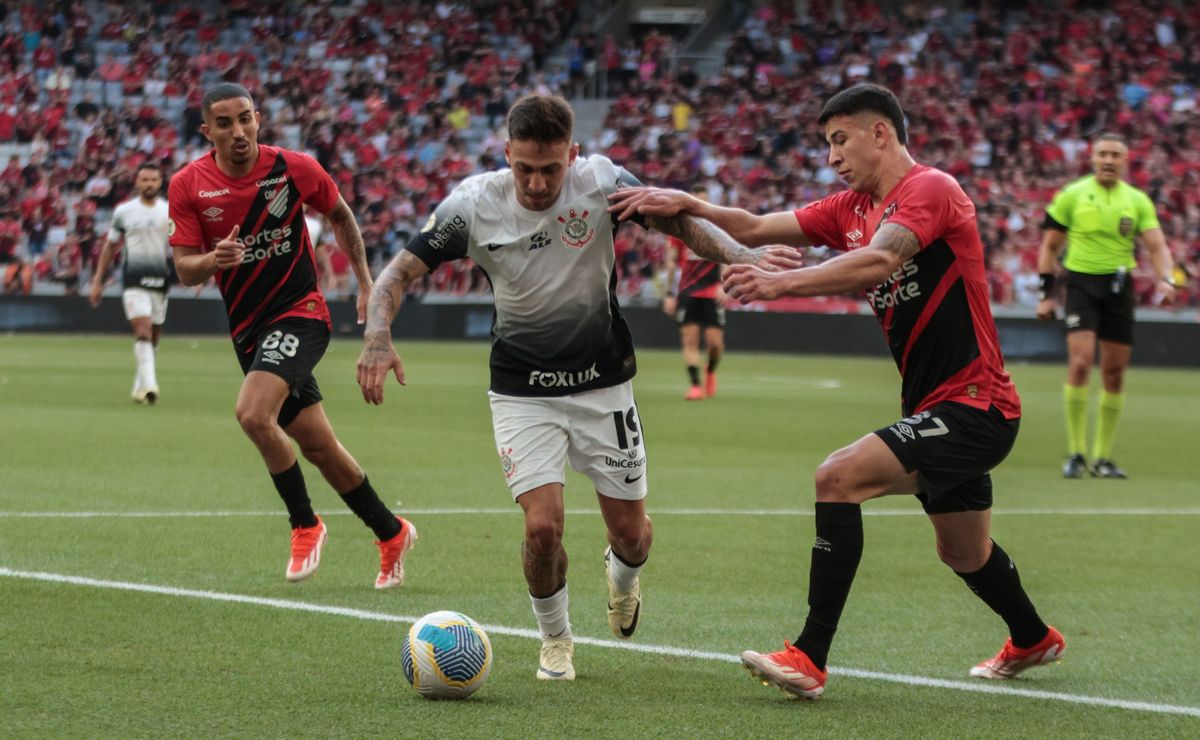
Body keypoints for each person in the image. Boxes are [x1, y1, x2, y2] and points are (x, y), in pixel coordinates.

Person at [608, 83, 1064, 700]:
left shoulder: (930, 189)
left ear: (881, 133)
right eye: (827, 143)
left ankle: (809, 654)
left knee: (837, 477)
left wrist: (783, 285)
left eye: (840, 139)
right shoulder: (850, 208)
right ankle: (1032, 637)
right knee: (963, 551)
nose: (832, 156)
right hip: (937, 408)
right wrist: (690, 202)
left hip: (977, 404)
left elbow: (878, 263)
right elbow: (755, 223)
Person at [357, 93, 778, 681]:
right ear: (506, 154)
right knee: (542, 525)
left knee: (632, 536)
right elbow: (398, 272)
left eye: (550, 169)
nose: (535, 183)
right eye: (523, 168)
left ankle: (623, 578)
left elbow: (680, 222)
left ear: (572, 156)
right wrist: (378, 332)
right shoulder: (473, 205)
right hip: (521, 392)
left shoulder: (602, 182)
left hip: (604, 385)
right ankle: (555, 639)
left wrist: (739, 253)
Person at [168, 83, 417, 589]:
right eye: (224, 123)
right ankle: (391, 533)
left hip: (301, 314)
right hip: (248, 332)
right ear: (206, 130)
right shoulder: (189, 185)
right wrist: (213, 260)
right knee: (320, 447)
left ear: (258, 117)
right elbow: (185, 271)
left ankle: (305, 523)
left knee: (252, 414)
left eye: (245, 119)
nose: (237, 131)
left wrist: (368, 284)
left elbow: (341, 214)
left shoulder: (294, 168)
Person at [1034, 134, 1176, 480]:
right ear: (1092, 158)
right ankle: (1076, 452)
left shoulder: (1137, 200)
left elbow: (1157, 247)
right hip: (1081, 285)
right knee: (1081, 363)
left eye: (1115, 154)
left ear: (1126, 161)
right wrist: (1047, 293)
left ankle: (1102, 458)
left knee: (1114, 373)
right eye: (1103, 154)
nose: (1109, 160)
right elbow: (1050, 247)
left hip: (1119, 287)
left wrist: (1166, 279)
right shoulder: (1071, 195)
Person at [89, 163, 171, 404]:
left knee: (154, 337)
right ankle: (152, 386)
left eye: (153, 180)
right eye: (144, 179)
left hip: (159, 280)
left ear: (160, 182)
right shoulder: (124, 211)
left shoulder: (169, 211)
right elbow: (110, 247)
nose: (149, 184)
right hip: (133, 280)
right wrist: (97, 281)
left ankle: (140, 386)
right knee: (143, 330)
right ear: (137, 182)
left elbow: (182, 244)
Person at [662, 184, 725, 400]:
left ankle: (710, 370)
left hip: (711, 292)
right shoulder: (679, 230)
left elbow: (726, 256)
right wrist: (669, 294)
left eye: (704, 201)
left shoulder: (718, 228)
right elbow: (670, 263)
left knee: (715, 344)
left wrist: (724, 286)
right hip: (688, 292)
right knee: (690, 340)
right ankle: (696, 385)